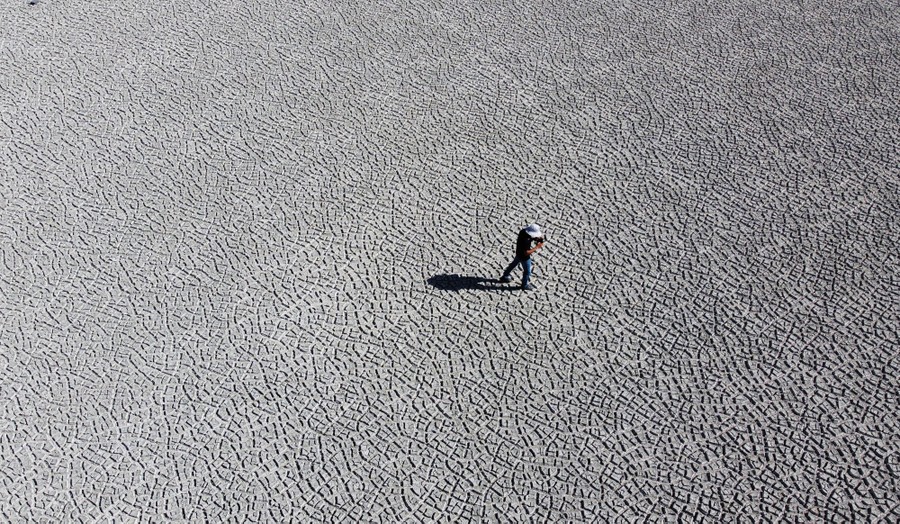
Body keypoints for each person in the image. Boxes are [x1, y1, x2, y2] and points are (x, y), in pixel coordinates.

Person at [500, 224, 545, 290]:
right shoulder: (526, 241)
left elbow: (531, 237)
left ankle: (505, 276)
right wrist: (537, 247)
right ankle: (524, 285)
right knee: (527, 271)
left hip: (518, 253)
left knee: (513, 264)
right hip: (524, 258)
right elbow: (526, 253)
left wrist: (537, 238)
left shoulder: (523, 232)